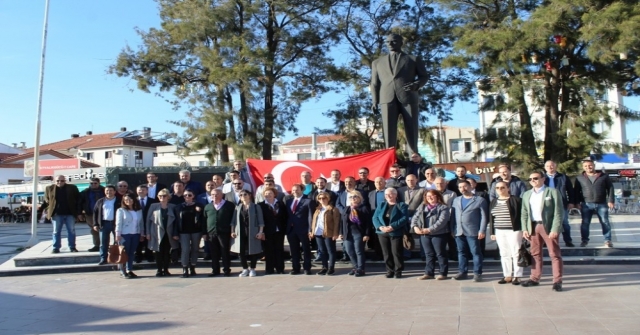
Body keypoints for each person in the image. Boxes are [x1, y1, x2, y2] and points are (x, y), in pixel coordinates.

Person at [370, 33, 428, 155]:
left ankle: (414, 155)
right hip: (386, 98)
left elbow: (424, 76)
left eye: (394, 41)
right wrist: (374, 101)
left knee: (411, 128)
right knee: (388, 130)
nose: (390, 44)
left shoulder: (413, 59)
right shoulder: (377, 63)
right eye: (388, 42)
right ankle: (390, 157)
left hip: (408, 96)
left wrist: (416, 85)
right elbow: (374, 83)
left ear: (401, 43)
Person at [521, 172, 564, 292]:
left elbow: (558, 212)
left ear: (543, 179)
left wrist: (555, 228)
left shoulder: (552, 192)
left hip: (548, 227)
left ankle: (557, 281)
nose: (533, 180)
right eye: (530, 179)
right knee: (535, 253)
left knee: (554, 254)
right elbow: (524, 213)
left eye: (535, 178)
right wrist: (525, 228)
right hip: (533, 226)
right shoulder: (526, 194)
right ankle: (534, 278)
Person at [450, 180, 488, 282]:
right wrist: (452, 229)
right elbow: (453, 216)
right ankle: (462, 272)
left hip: (473, 231)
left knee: (475, 252)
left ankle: (477, 273)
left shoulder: (480, 200)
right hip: (459, 231)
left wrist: (482, 230)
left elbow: (484, 217)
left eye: (465, 186)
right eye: (460, 187)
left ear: (470, 187)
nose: (463, 189)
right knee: (461, 252)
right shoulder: (456, 200)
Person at [573, 159, 615, 247]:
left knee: (605, 222)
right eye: (585, 166)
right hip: (586, 204)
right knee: (585, 223)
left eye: (590, 165)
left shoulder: (604, 176)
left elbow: (610, 188)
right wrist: (577, 202)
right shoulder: (579, 178)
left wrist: (611, 200)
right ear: (583, 167)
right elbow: (576, 191)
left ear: (594, 165)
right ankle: (584, 240)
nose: (588, 167)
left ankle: (607, 240)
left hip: (601, 203)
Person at [411, 190, 450, 280]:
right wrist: (415, 227)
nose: (430, 198)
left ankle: (443, 273)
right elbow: (415, 218)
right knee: (428, 254)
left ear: (437, 196)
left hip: (438, 234)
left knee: (440, 254)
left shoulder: (443, 207)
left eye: (432, 196)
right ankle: (429, 273)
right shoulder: (422, 206)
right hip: (424, 235)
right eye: (428, 196)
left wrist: (429, 229)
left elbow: (442, 221)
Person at [489, 181, 523, 285]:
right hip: (499, 230)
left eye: (502, 187)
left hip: (514, 230)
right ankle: (507, 275)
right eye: (497, 188)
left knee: (516, 253)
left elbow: (522, 216)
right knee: (504, 254)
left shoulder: (516, 200)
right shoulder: (494, 201)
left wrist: (524, 230)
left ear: (508, 188)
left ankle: (517, 276)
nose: (500, 190)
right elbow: (491, 218)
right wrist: (492, 232)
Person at [372, 188, 409, 279]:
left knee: (396, 252)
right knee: (386, 253)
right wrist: (380, 227)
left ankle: (398, 270)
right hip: (382, 232)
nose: (388, 196)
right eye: (386, 194)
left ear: (396, 195)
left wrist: (392, 226)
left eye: (391, 194)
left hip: (396, 232)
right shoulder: (381, 205)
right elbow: (375, 218)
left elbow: (404, 218)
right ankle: (389, 270)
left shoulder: (401, 205)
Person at [41, 175, 80, 254]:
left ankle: (72, 247)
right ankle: (56, 248)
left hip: (70, 213)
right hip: (56, 214)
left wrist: (78, 212)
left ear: (65, 181)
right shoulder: (49, 188)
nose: (60, 182)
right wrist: (44, 210)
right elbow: (46, 200)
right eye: (58, 181)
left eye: (62, 181)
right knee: (56, 231)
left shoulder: (72, 188)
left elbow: (78, 199)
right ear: (54, 181)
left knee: (71, 231)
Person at [231, 191, 265, 277]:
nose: (243, 196)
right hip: (240, 232)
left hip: (253, 232)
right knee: (241, 251)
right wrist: (232, 231)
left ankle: (253, 269)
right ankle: (245, 268)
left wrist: (260, 232)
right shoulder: (238, 207)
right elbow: (233, 221)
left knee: (253, 250)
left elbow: (261, 221)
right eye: (241, 195)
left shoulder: (256, 207)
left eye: (245, 194)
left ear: (249, 195)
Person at [146, 188, 179, 276]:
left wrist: (175, 233)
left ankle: (166, 269)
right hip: (156, 232)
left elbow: (176, 221)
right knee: (158, 252)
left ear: (168, 197)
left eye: (164, 196)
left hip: (169, 233)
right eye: (160, 196)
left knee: (167, 252)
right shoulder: (153, 206)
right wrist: (148, 233)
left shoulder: (172, 206)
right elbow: (148, 220)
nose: (162, 197)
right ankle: (159, 270)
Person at [203, 188, 235, 276]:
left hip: (224, 232)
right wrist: (205, 233)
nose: (214, 196)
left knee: (225, 251)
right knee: (214, 253)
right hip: (211, 233)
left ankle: (226, 270)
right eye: (213, 195)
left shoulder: (229, 205)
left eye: (217, 194)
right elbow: (204, 220)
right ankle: (215, 270)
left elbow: (233, 219)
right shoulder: (208, 207)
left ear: (222, 195)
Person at [544, 160, 576, 247]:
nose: (550, 168)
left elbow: (570, 191)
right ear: (545, 168)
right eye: (547, 166)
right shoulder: (542, 178)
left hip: (561, 203)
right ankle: (546, 242)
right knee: (546, 223)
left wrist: (571, 202)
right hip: (546, 205)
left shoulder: (563, 177)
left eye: (552, 166)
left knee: (564, 223)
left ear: (556, 166)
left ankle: (568, 241)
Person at [340, 191, 371, 277]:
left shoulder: (364, 208)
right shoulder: (347, 208)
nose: (353, 198)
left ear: (359, 197)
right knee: (349, 251)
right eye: (350, 197)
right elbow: (342, 221)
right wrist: (341, 232)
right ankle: (356, 267)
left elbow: (368, 223)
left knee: (359, 251)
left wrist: (366, 234)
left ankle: (361, 269)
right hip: (348, 233)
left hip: (359, 233)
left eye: (355, 196)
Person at [309, 192, 341, 275]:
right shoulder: (317, 209)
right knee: (322, 251)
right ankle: (324, 267)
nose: (322, 200)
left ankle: (331, 267)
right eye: (320, 198)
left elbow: (336, 222)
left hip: (329, 232)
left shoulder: (333, 209)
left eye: (324, 198)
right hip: (318, 232)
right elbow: (314, 222)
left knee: (330, 251)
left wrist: (335, 233)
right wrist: (312, 232)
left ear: (328, 198)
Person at [175, 189, 205, 278]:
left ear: (193, 196)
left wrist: (199, 211)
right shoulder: (179, 207)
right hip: (183, 232)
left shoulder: (199, 206)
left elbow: (203, 219)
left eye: (189, 195)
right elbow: (176, 221)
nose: (187, 197)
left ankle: (193, 266)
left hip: (196, 231)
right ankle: (185, 268)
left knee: (195, 249)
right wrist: (175, 233)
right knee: (185, 249)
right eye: (185, 195)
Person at [258, 187, 287, 274]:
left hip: (279, 231)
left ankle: (280, 269)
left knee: (279, 250)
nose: (268, 195)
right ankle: (269, 269)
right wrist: (261, 231)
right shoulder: (260, 205)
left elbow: (284, 217)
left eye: (270, 193)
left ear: (274, 194)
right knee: (268, 250)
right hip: (267, 231)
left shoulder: (280, 204)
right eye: (266, 194)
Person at [115, 193, 143, 279]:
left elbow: (141, 223)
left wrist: (142, 233)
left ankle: (129, 269)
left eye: (130, 199)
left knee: (131, 253)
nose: (128, 201)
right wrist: (118, 234)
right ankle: (122, 271)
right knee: (124, 253)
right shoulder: (121, 210)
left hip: (135, 234)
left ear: (134, 200)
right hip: (125, 234)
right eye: (126, 200)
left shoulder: (138, 210)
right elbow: (118, 223)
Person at [286, 184, 312, 275]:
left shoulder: (308, 201)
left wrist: (310, 229)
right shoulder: (288, 201)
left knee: (306, 249)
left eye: (297, 190)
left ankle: (307, 268)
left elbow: (310, 217)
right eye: (293, 190)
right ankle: (295, 268)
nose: (295, 191)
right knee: (294, 250)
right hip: (291, 229)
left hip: (303, 229)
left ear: (302, 190)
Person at [93, 185, 120, 265]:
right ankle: (103, 258)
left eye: (111, 190)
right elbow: (95, 212)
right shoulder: (100, 201)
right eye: (107, 190)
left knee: (118, 241)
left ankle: (117, 257)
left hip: (116, 224)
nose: (109, 192)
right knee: (103, 243)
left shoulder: (119, 200)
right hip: (104, 224)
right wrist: (95, 224)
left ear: (115, 191)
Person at [78, 177, 104, 252]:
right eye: (91, 183)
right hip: (90, 214)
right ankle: (97, 245)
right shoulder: (85, 192)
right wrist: (79, 213)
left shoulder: (104, 190)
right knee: (94, 230)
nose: (93, 185)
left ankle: (105, 244)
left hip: (103, 214)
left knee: (104, 230)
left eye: (95, 183)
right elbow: (79, 203)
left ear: (99, 183)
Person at [366, 177, 387, 261]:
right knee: (376, 237)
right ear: (374, 183)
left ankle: (386, 255)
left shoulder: (388, 192)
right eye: (377, 182)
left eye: (381, 182)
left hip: (386, 217)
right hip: (374, 217)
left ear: (385, 183)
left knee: (384, 237)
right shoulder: (370, 193)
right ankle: (378, 254)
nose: (379, 183)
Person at [135, 185, 157, 263]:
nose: (141, 191)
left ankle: (149, 255)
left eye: (143, 190)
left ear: (147, 191)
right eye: (139, 190)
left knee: (149, 239)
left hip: (149, 223)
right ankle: (138, 255)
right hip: (136, 223)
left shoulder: (153, 201)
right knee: (138, 240)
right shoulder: (133, 201)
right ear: (136, 191)